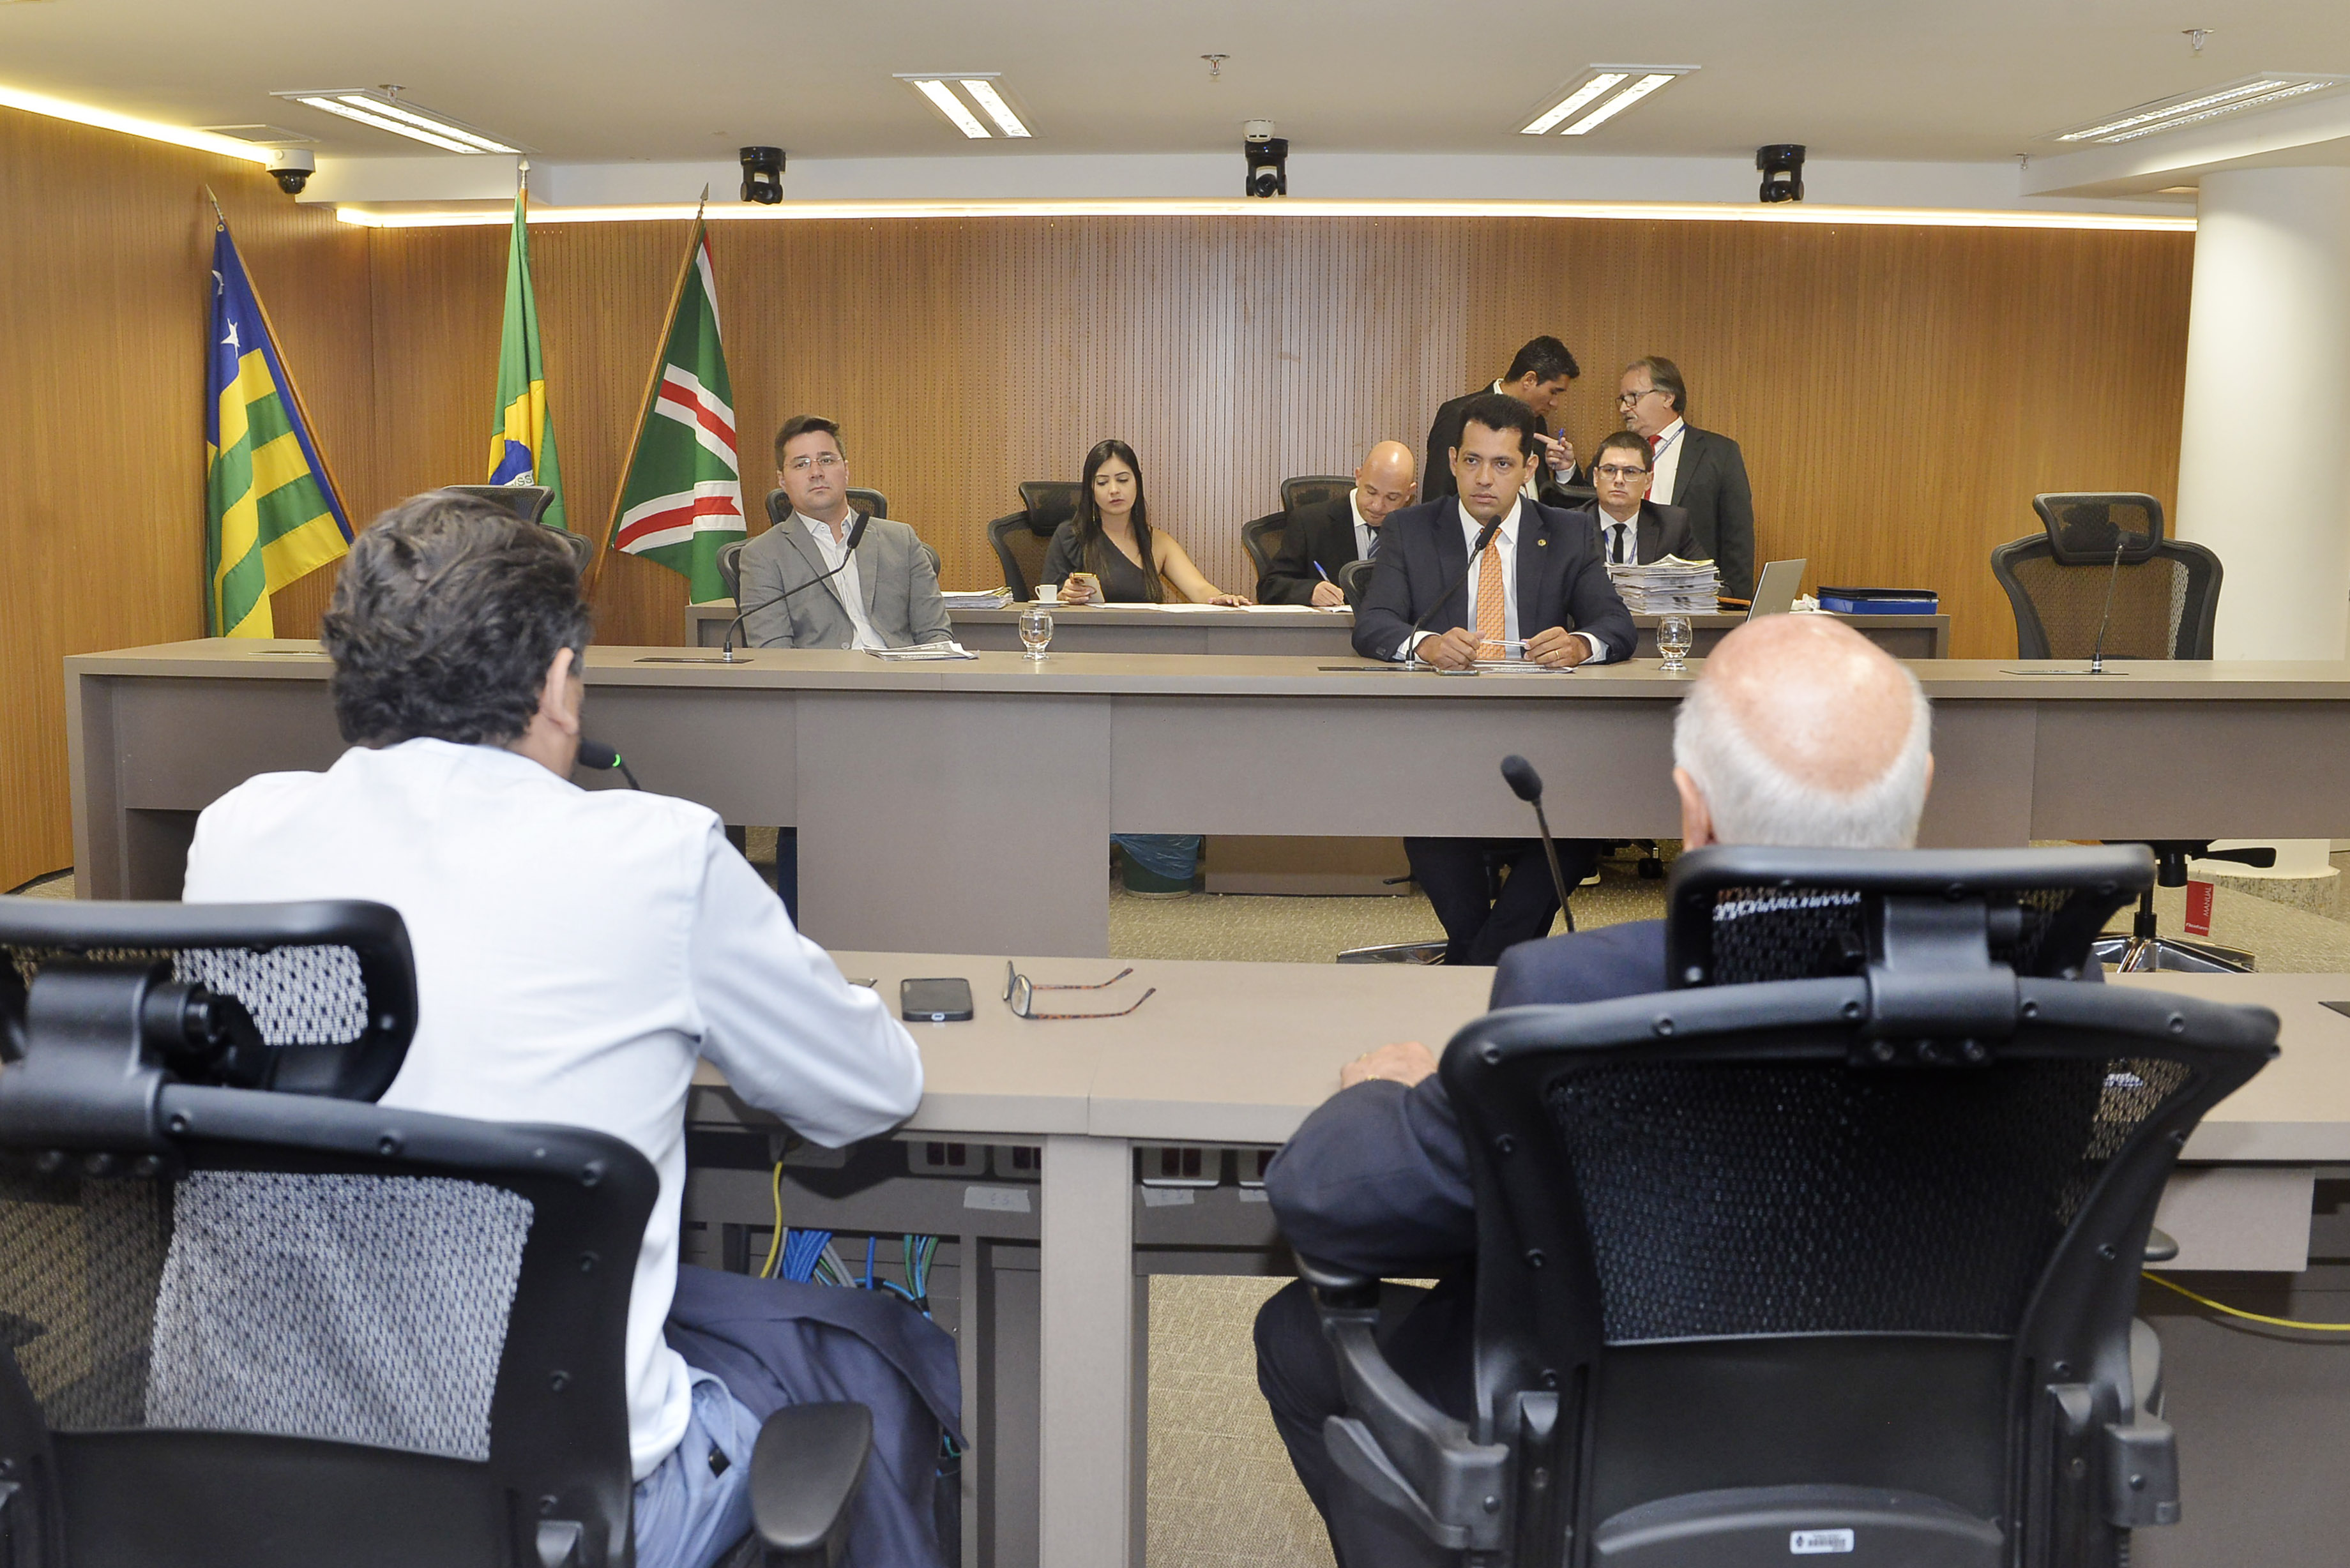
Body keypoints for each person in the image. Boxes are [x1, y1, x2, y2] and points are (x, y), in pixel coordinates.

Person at [181, 493, 948, 1568]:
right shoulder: (657, 854)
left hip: (250, 1498)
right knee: (868, 1365)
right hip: (552, 1519)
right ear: (554, 682)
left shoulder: (235, 834)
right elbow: (865, 1090)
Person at [1253, 614, 1935, 1568]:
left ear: (1692, 813)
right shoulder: (2039, 994)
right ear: (1922, 789)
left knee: (1298, 1333)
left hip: (1608, 1462)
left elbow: (1324, 1200)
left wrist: (1403, 1092)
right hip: (1917, 1453)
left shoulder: (1582, 995)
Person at [1353, 392, 1635, 963]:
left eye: (1503, 464)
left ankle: (1475, 963)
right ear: (1453, 461)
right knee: (1429, 824)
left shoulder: (1567, 533)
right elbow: (1374, 624)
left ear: (1529, 468)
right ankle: (1496, 964)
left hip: (1542, 742)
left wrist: (1580, 644)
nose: (1485, 479)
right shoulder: (1411, 529)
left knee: (1579, 829)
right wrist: (1426, 645)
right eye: (1473, 461)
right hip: (1444, 740)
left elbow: (1617, 626)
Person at [738, 414, 953, 649]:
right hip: (823, 673)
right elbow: (774, 655)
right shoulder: (763, 556)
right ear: (782, 481)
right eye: (801, 464)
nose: (816, 472)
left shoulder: (901, 540)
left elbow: (936, 635)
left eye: (827, 460)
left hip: (900, 670)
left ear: (846, 470)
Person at [1042, 438, 1252, 607]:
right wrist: (1064, 596)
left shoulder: (1158, 542)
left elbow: (1199, 589)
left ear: (1137, 482)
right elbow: (1047, 603)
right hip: (1085, 643)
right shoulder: (1070, 536)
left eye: (1123, 480)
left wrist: (1222, 598)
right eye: (1103, 482)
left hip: (1148, 642)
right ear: (1091, 489)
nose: (1114, 490)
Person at [1619, 355, 1756, 601]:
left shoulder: (1720, 453)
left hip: (1692, 599)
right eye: (1622, 399)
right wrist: (1567, 470)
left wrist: (1736, 603)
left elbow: (1738, 537)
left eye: (1633, 397)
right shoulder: (1616, 453)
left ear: (1667, 397)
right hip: (1625, 597)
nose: (1624, 408)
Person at [1423, 335, 1583, 505]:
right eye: (1553, 392)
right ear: (1529, 380)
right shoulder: (1459, 415)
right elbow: (1437, 497)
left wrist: (1565, 470)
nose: (1555, 404)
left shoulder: (1537, 422)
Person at [1257, 441, 1417, 607]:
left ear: (1409, 493)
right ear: (1359, 477)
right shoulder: (1310, 523)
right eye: (1371, 492)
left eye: (1392, 498)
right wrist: (1310, 592)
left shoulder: (1417, 531)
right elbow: (1269, 587)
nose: (1377, 506)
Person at [1575, 427, 1695, 567]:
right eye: (1610, 470)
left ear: (1648, 481)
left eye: (1630, 472)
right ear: (1596, 477)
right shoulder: (1570, 527)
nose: (1619, 480)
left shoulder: (1672, 525)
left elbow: (1707, 578)